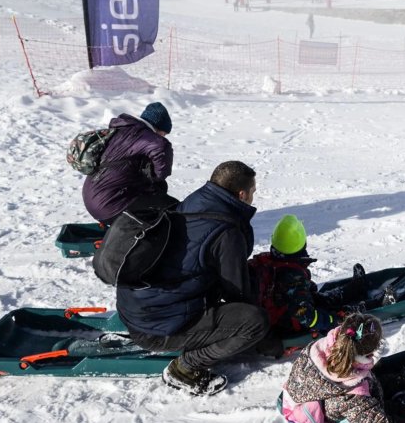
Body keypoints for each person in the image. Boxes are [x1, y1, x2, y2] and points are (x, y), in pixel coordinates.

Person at [120, 161, 269, 396]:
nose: (253, 197)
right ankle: (186, 368)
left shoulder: (195, 202)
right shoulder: (226, 231)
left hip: (138, 307)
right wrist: (265, 335)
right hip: (156, 328)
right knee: (254, 322)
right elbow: (238, 294)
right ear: (242, 194)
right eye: (253, 192)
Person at [249, 215, 366, 343]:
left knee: (322, 298)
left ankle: (353, 289)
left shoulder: (272, 261)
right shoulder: (292, 276)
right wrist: (332, 320)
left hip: (281, 312)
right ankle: (368, 305)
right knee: (331, 308)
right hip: (289, 324)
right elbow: (305, 315)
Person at [81, 102, 174, 223]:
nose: (163, 137)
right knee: (173, 209)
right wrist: (153, 177)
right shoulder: (145, 136)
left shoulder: (122, 130)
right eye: (164, 133)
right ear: (158, 127)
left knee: (159, 188)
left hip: (93, 197)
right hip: (110, 205)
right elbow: (161, 159)